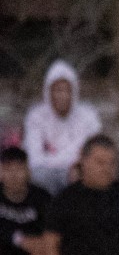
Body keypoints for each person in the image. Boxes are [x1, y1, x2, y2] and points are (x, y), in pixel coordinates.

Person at [23, 60, 102, 195]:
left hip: (76, 172)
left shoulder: (89, 116)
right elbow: (34, 158)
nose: (63, 96)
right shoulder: (36, 116)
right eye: (58, 90)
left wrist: (61, 162)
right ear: (49, 91)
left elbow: (89, 152)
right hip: (45, 175)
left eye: (67, 90)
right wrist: (66, 162)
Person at [0, 148, 50, 255]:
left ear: (28, 171)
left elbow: (51, 231)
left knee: (48, 249)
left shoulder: (42, 197)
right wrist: (19, 239)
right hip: (5, 253)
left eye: (19, 169)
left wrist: (39, 245)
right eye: (8, 169)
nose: (14, 175)